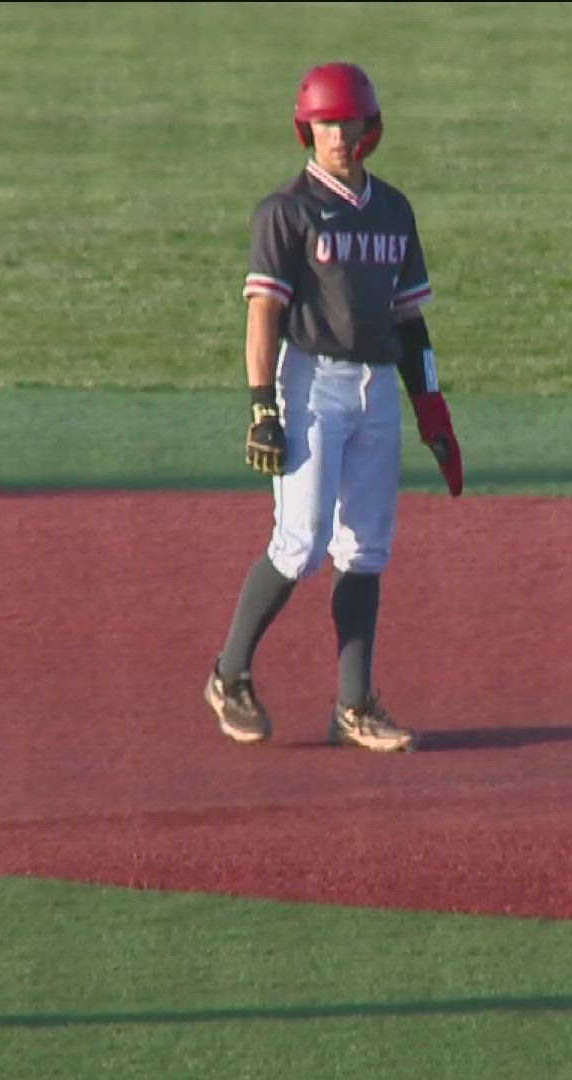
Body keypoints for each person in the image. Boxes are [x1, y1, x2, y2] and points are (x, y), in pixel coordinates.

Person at [204, 61, 462, 752]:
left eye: (350, 121)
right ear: (305, 129)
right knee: (300, 543)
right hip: (311, 383)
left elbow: (410, 322)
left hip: (379, 388)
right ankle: (229, 674)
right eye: (326, 123)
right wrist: (263, 407)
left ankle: (353, 706)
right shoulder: (285, 212)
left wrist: (431, 409)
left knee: (367, 548)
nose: (339, 134)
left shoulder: (393, 210)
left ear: (370, 126)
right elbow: (263, 313)